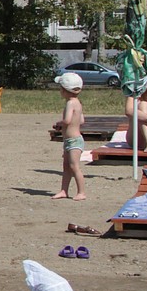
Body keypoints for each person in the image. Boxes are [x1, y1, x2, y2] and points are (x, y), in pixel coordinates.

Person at [52, 71, 86, 200]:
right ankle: (64, 190)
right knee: (66, 166)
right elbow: (82, 120)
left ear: (65, 90)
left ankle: (81, 192)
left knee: (74, 166)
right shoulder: (78, 103)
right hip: (70, 140)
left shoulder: (70, 103)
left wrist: (59, 123)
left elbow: (67, 120)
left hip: (74, 140)